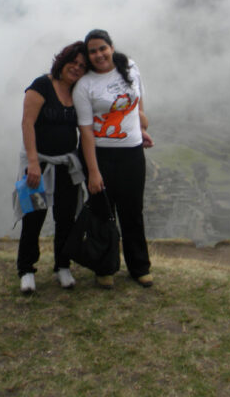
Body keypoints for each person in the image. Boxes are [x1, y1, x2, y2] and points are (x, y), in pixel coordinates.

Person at [73, 29, 154, 289]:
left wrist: (140, 128)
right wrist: (94, 172)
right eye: (93, 51)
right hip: (101, 155)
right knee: (102, 213)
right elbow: (85, 131)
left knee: (132, 212)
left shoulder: (129, 67)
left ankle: (139, 267)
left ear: (111, 47)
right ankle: (104, 267)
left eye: (102, 48)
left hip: (132, 153)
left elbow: (138, 102)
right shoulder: (84, 86)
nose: (98, 55)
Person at [14, 41, 89, 295]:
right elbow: (27, 123)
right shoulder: (41, 85)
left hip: (67, 165)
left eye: (82, 65)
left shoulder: (78, 91)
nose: (76, 68)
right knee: (33, 217)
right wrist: (33, 163)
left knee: (66, 218)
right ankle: (26, 269)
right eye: (73, 62)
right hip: (39, 164)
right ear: (62, 60)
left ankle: (62, 265)